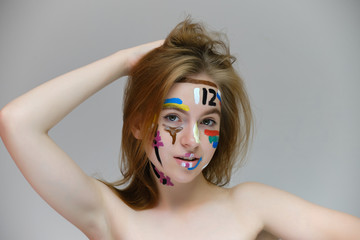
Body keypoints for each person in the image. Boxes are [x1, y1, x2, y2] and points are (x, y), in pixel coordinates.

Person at [0, 18, 359, 240]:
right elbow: (17, 122)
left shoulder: (253, 206)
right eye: (173, 118)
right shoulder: (109, 214)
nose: (192, 141)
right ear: (139, 123)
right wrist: (126, 62)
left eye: (208, 122)